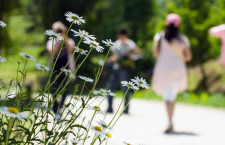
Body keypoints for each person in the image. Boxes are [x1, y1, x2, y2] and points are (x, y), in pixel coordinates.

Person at [152, 13, 192, 133]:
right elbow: (189, 57)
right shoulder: (183, 39)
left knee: (167, 96)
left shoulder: (159, 37)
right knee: (172, 96)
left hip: (163, 69)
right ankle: (170, 120)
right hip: (177, 69)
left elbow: (156, 54)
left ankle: (169, 121)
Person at [106, 29, 142, 114]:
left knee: (125, 88)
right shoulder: (116, 44)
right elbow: (115, 56)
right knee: (110, 87)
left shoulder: (130, 43)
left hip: (125, 68)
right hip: (116, 67)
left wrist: (131, 56)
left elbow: (138, 52)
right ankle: (110, 107)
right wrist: (110, 60)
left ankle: (126, 109)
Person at [46, 21, 75, 114]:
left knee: (65, 89)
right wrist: (58, 42)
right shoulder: (51, 41)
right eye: (57, 31)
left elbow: (71, 49)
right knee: (54, 88)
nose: (59, 33)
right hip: (55, 68)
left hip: (66, 69)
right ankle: (55, 105)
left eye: (61, 31)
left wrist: (64, 39)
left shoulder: (69, 41)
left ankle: (61, 105)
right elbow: (52, 53)